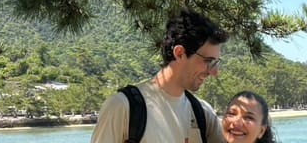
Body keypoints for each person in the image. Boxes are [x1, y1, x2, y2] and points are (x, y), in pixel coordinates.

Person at [91, 9, 229, 143]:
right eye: (209, 61)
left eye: (216, 62)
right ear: (179, 53)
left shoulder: (203, 114)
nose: (214, 71)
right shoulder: (123, 107)